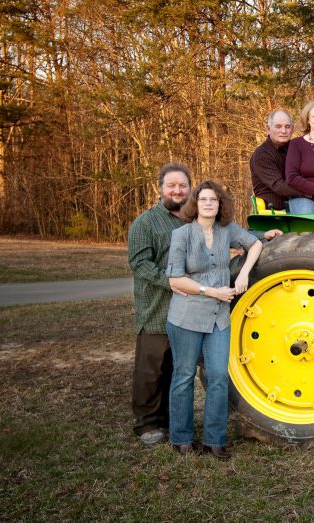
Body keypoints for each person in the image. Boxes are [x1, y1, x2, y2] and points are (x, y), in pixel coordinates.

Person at [166, 181, 262, 460]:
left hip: (219, 318)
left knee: (219, 376)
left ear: (221, 205)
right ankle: (181, 437)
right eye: (204, 199)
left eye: (214, 200)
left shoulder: (226, 230)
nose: (209, 203)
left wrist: (243, 272)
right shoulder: (182, 235)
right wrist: (212, 291)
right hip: (186, 316)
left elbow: (254, 244)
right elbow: (175, 279)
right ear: (195, 204)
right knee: (184, 377)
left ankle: (214, 439)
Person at [126, 162, 192, 446]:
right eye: (172, 185)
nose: (177, 190)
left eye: (182, 186)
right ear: (160, 188)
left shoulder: (193, 219)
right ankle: (146, 423)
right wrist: (173, 281)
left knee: (176, 369)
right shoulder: (146, 223)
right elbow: (140, 263)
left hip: (188, 310)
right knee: (151, 369)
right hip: (157, 308)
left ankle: (167, 418)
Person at [251, 109, 314, 211]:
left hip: (304, 201)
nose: (283, 131)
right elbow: (279, 186)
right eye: (278, 126)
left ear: (292, 129)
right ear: (268, 129)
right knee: (308, 213)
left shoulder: (297, 147)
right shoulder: (262, 155)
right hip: (276, 211)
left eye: (287, 127)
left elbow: (313, 174)